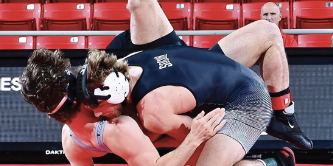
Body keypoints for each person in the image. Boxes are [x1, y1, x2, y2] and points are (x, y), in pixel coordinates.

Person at [19, 48, 227, 166]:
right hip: (177, 109)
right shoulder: (116, 127)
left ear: (49, 113)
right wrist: (194, 138)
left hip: (158, 123)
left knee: (205, 165)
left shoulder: (70, 141)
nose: (100, 112)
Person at [107, 1, 312, 152]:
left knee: (269, 30)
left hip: (174, 59)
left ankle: (283, 115)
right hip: (195, 91)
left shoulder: (102, 67)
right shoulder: (151, 113)